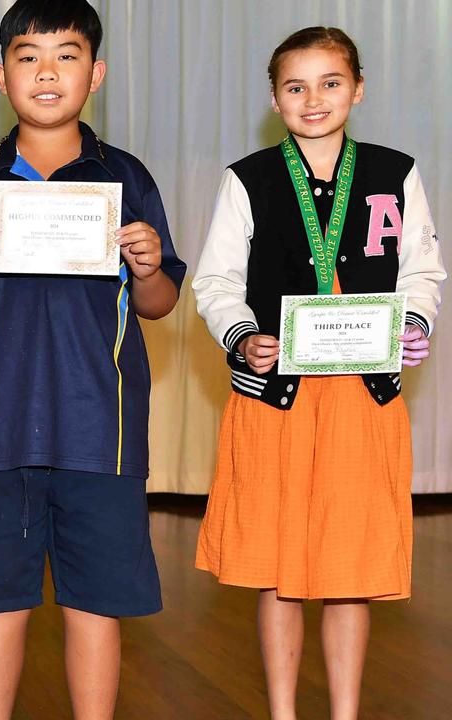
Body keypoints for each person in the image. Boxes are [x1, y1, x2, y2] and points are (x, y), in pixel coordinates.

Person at [0, 1, 187, 717]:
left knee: (95, 605)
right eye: (28, 55)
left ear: (94, 74)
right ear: (1, 75)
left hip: (103, 433)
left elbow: (158, 303)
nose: (46, 71)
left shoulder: (127, 178)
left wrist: (152, 266)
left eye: (66, 55)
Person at [193, 26, 445, 720]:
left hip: (364, 399)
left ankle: (344, 712)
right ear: (274, 99)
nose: (314, 99)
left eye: (331, 83)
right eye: (295, 86)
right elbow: (215, 281)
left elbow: (423, 271)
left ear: (357, 89)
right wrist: (244, 338)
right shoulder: (248, 179)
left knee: (350, 571)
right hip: (275, 400)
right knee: (279, 573)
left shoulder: (396, 172)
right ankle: (281, 712)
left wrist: (414, 325)